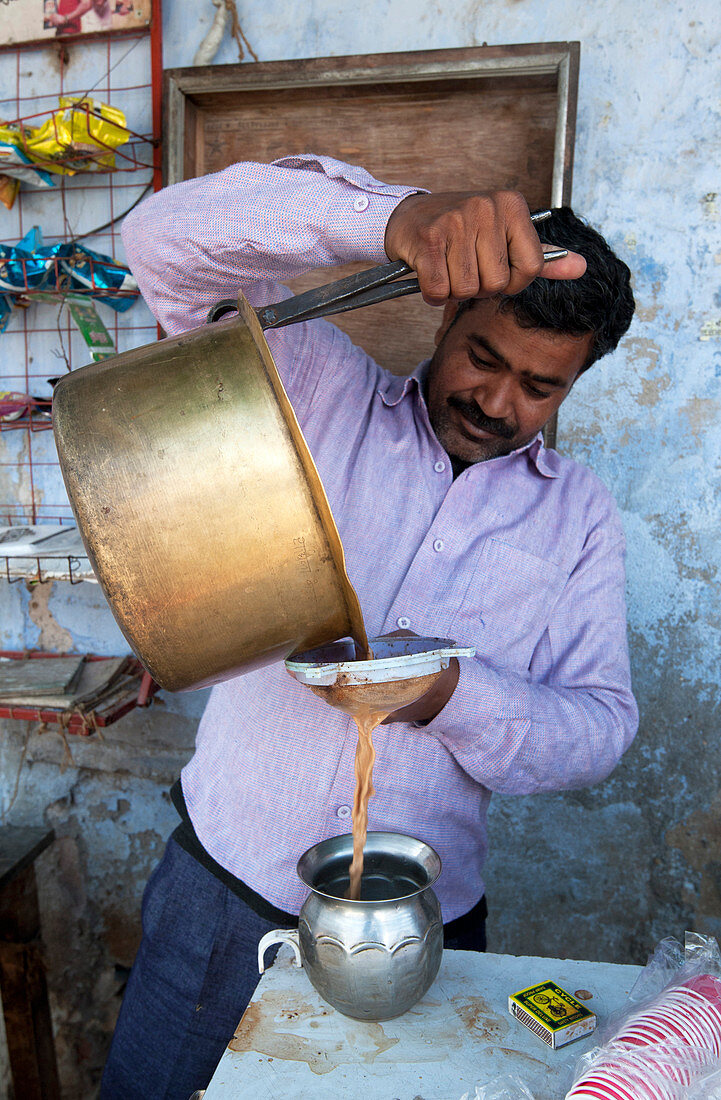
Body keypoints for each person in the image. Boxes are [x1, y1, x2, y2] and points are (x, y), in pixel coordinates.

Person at [101, 155, 638, 1098]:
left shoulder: (578, 517)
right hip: (221, 900)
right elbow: (160, 242)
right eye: (483, 357)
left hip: (421, 930)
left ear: (574, 382)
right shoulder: (310, 382)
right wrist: (398, 220)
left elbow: (599, 727)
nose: (499, 403)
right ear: (443, 313)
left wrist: (450, 693)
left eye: (540, 388)